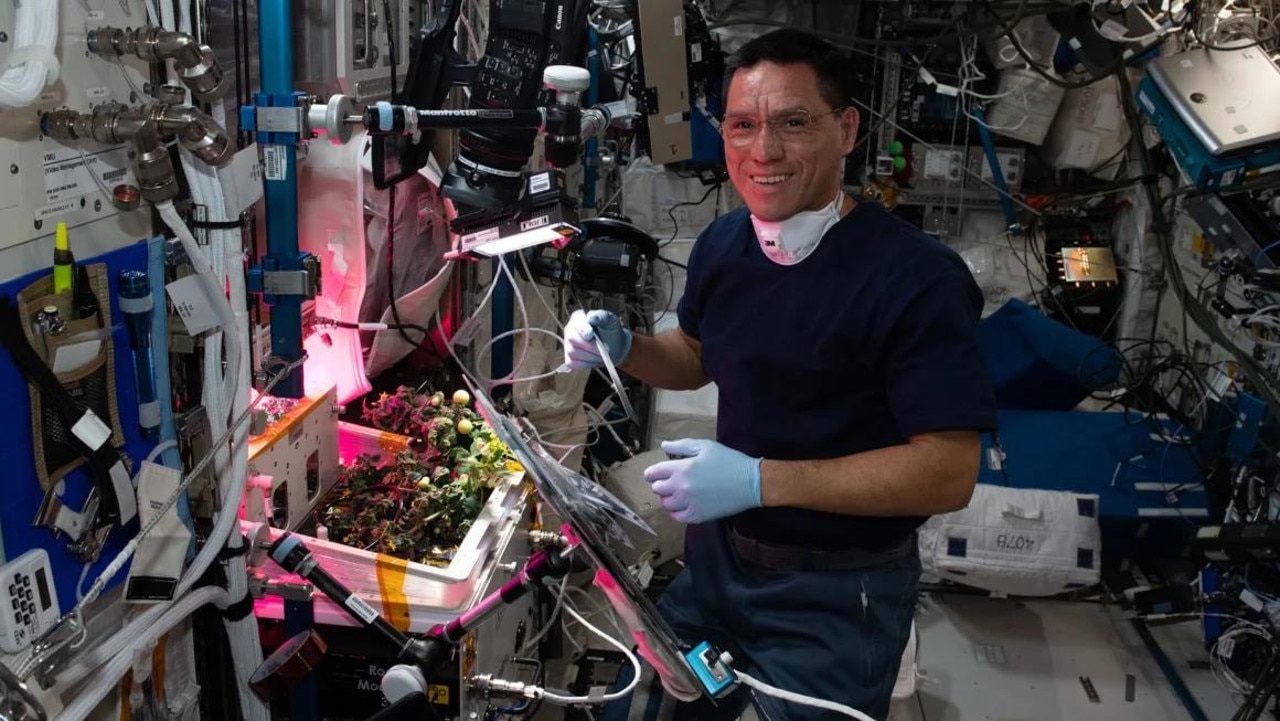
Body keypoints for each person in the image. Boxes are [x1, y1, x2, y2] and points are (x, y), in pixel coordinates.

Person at [564, 28, 997, 721]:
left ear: (847, 129)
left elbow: (948, 470)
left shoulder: (915, 278)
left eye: (794, 123)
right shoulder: (726, 243)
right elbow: (697, 354)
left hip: (837, 593)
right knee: (639, 706)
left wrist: (758, 480)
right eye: (743, 126)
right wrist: (625, 347)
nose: (763, 151)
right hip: (718, 569)